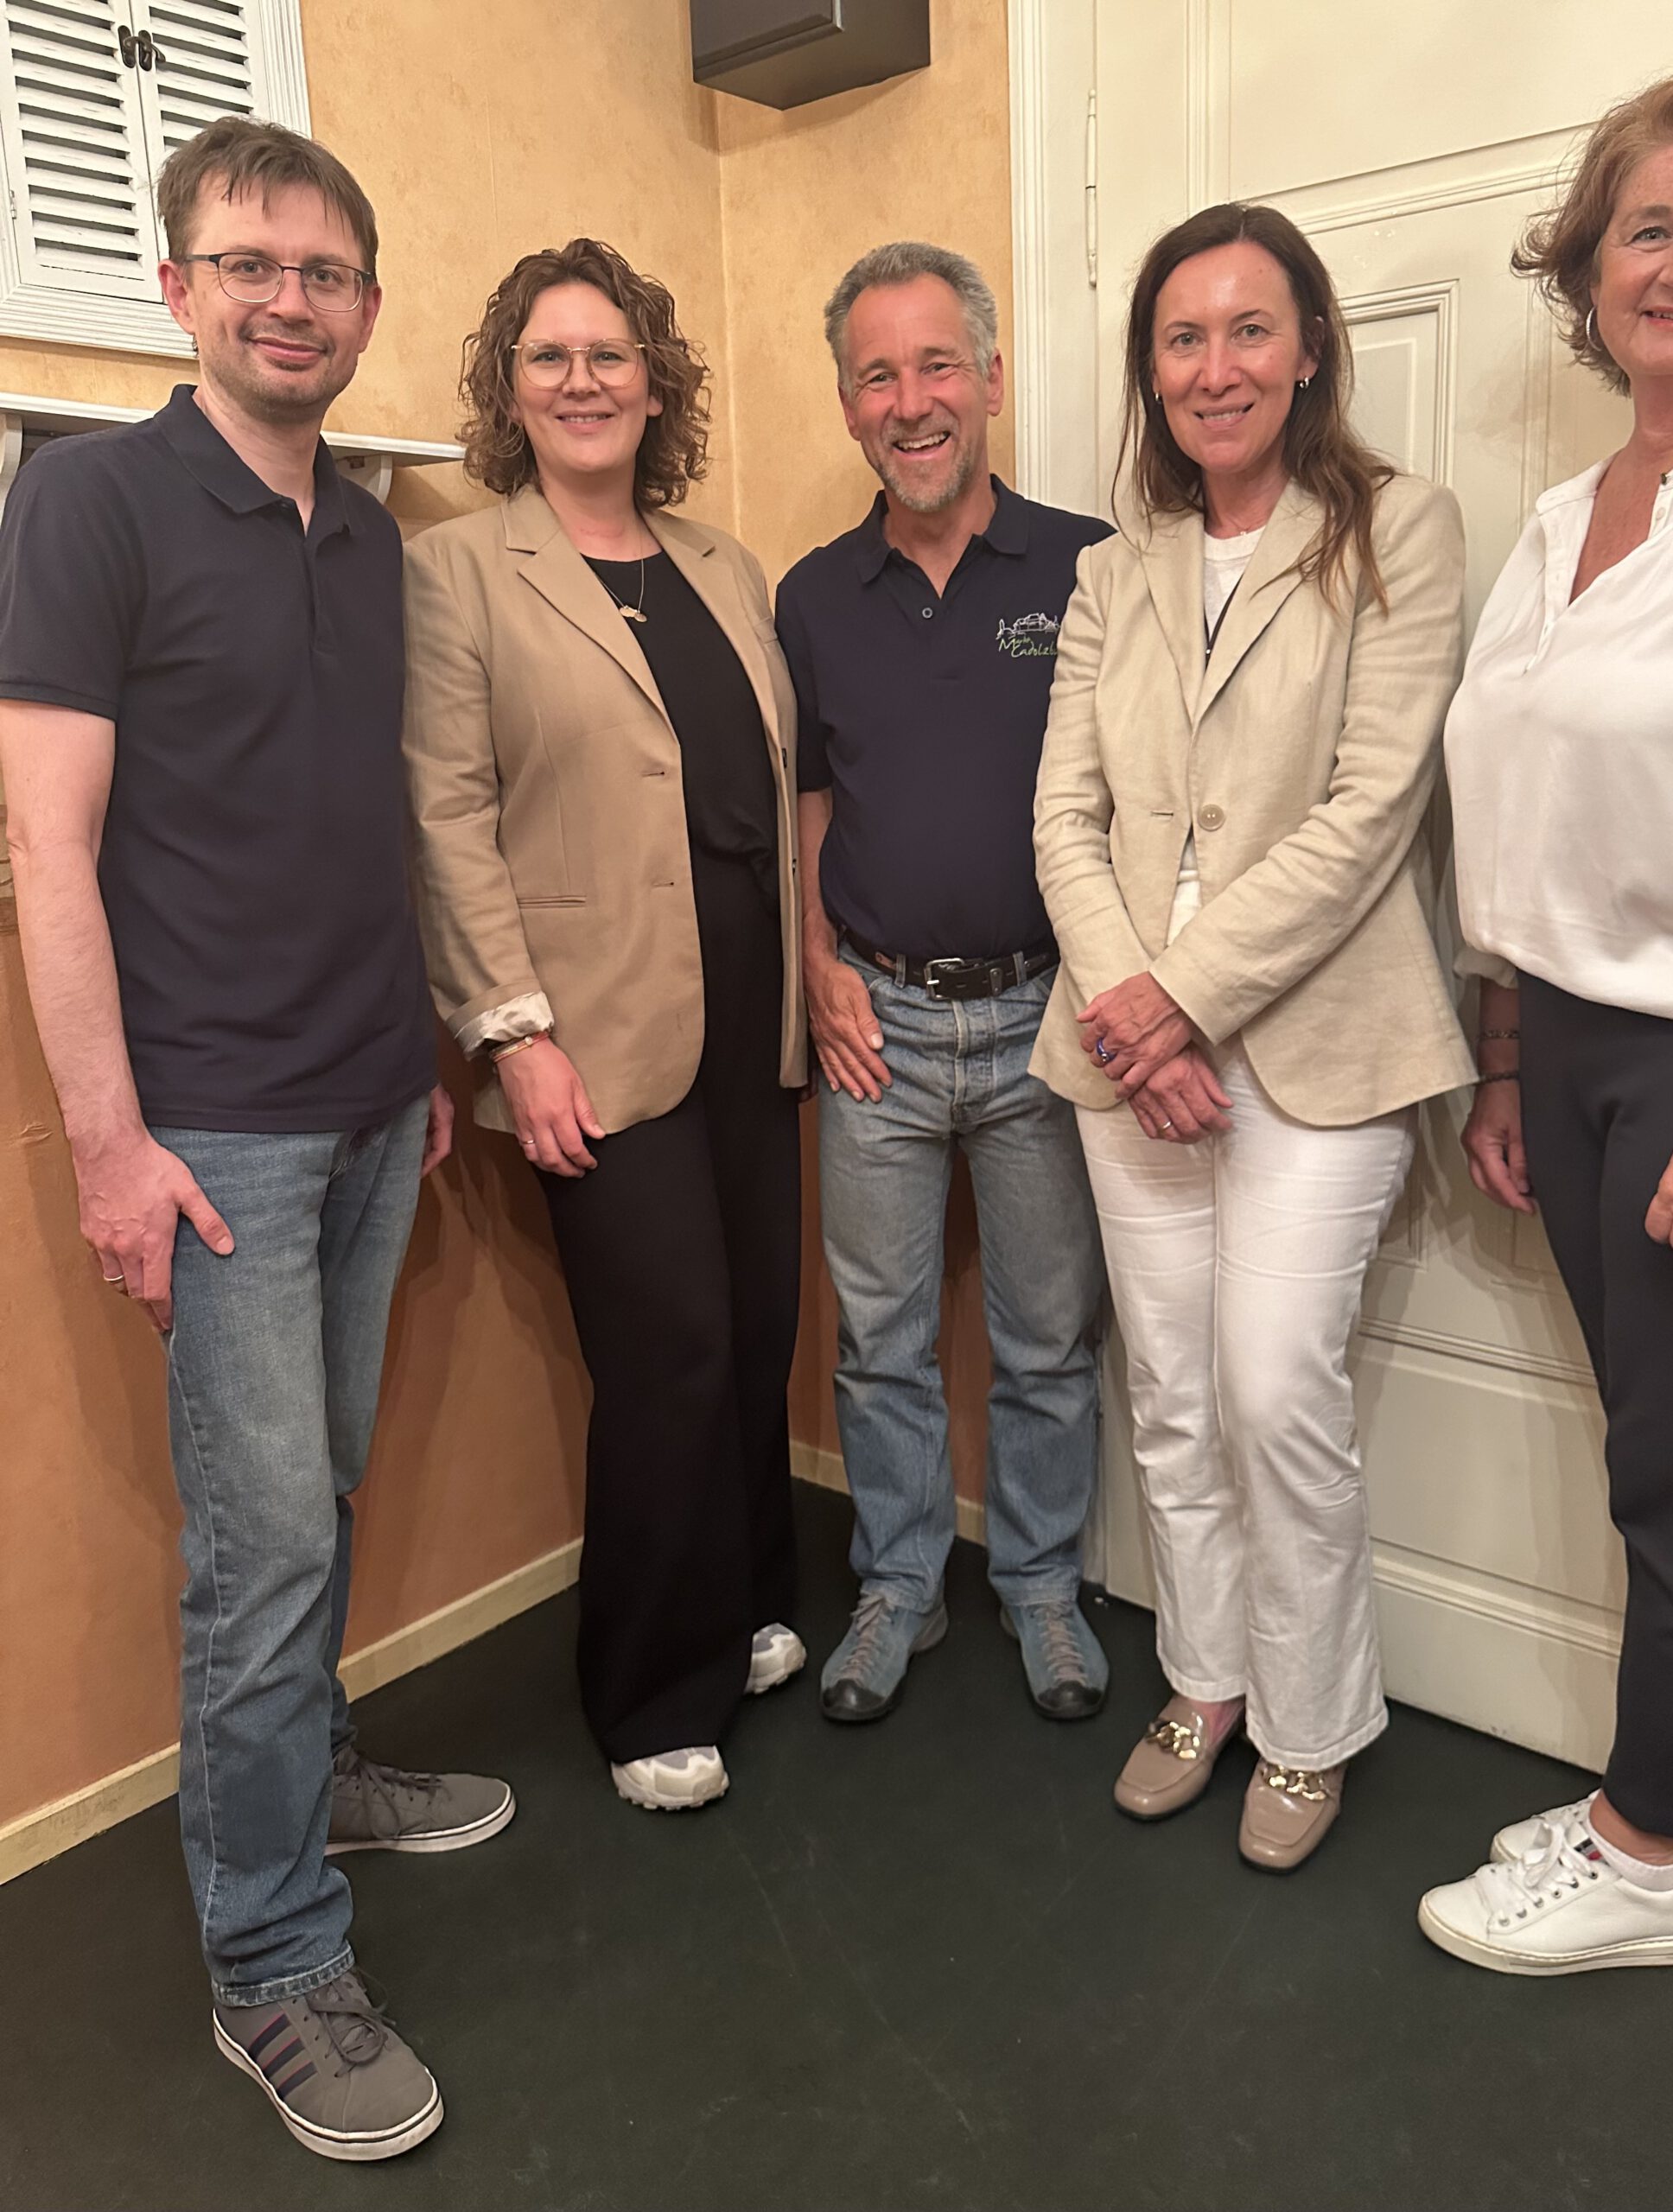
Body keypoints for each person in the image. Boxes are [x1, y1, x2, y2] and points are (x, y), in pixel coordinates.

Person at [0, 118, 512, 2162]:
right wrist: (108, 1147)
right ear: (178, 286)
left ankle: (299, 1772)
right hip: (211, 1129)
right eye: (251, 264)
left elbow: (354, 811)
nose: (290, 298)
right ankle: (272, 1957)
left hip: (377, 1098)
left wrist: (426, 1056)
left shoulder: (370, 532)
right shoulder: (89, 501)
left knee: (328, 1484)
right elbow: (45, 844)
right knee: (264, 1537)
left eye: (325, 272)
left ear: (364, 307)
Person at [1423, 63, 1673, 1974]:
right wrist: (1506, 1048)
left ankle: (1643, 1852)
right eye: (1640, 228)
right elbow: (1515, 801)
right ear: (1585, 271)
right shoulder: (1573, 505)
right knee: (1656, 1446)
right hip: (1569, 1045)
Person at [1033, 205, 1471, 1870]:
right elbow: (1064, 813)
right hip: (1123, 1043)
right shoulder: (1108, 571)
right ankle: (1201, 1680)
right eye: (1182, 338)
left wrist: (1184, 996)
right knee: (1167, 1396)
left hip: (1321, 1045)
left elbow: (1372, 813)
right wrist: (1132, 1008)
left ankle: (1310, 1723)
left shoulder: (1400, 535)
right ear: (1152, 372)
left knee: (1274, 1388)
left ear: (1308, 352)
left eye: (1248, 331)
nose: (1216, 368)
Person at [404, 240, 807, 1816]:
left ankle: (756, 1598)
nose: (585, 381)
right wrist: (513, 1033)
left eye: (613, 354)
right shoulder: (459, 574)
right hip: (591, 1032)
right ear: (512, 388)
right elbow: (443, 812)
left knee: (759, 1327)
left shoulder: (723, 566)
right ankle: (648, 1685)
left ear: (658, 383)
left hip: (749, 1020)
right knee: (672, 1352)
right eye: (550, 357)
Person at [777, 242, 1112, 1725]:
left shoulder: (1090, 564)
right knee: (880, 1336)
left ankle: (1042, 1584)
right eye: (876, 375)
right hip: (879, 1030)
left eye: (934, 368)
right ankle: (900, 1583)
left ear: (988, 379)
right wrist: (815, 964)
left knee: (1049, 1336)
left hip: (1053, 1019)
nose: (910, 403)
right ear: (849, 404)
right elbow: (810, 803)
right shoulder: (810, 595)